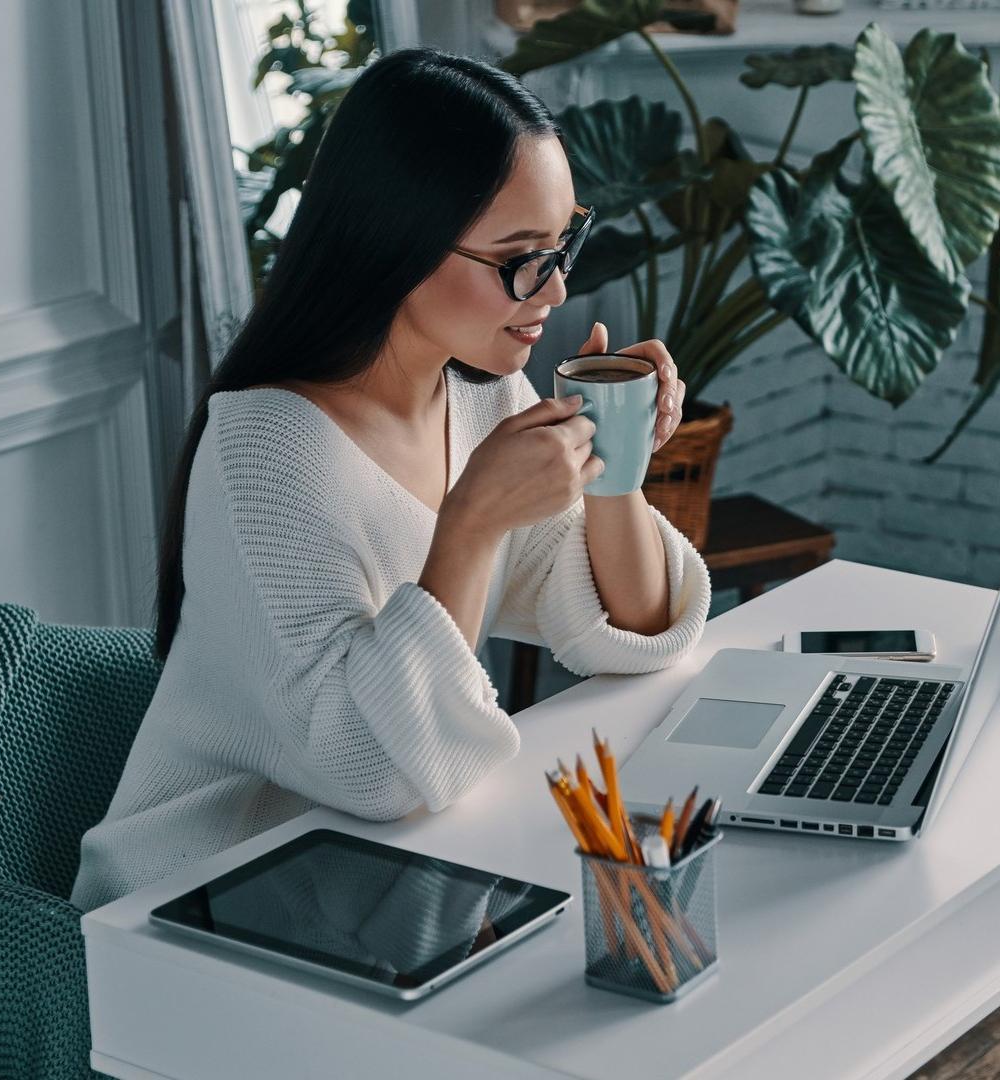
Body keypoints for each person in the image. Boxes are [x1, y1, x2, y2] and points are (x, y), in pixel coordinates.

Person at [70, 47, 709, 911]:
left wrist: (615, 467)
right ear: (395, 240)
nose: (555, 291)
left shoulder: (479, 395)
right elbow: (371, 771)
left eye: (564, 246)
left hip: (376, 885)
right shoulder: (267, 448)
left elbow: (625, 632)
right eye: (521, 259)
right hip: (200, 898)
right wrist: (471, 525)